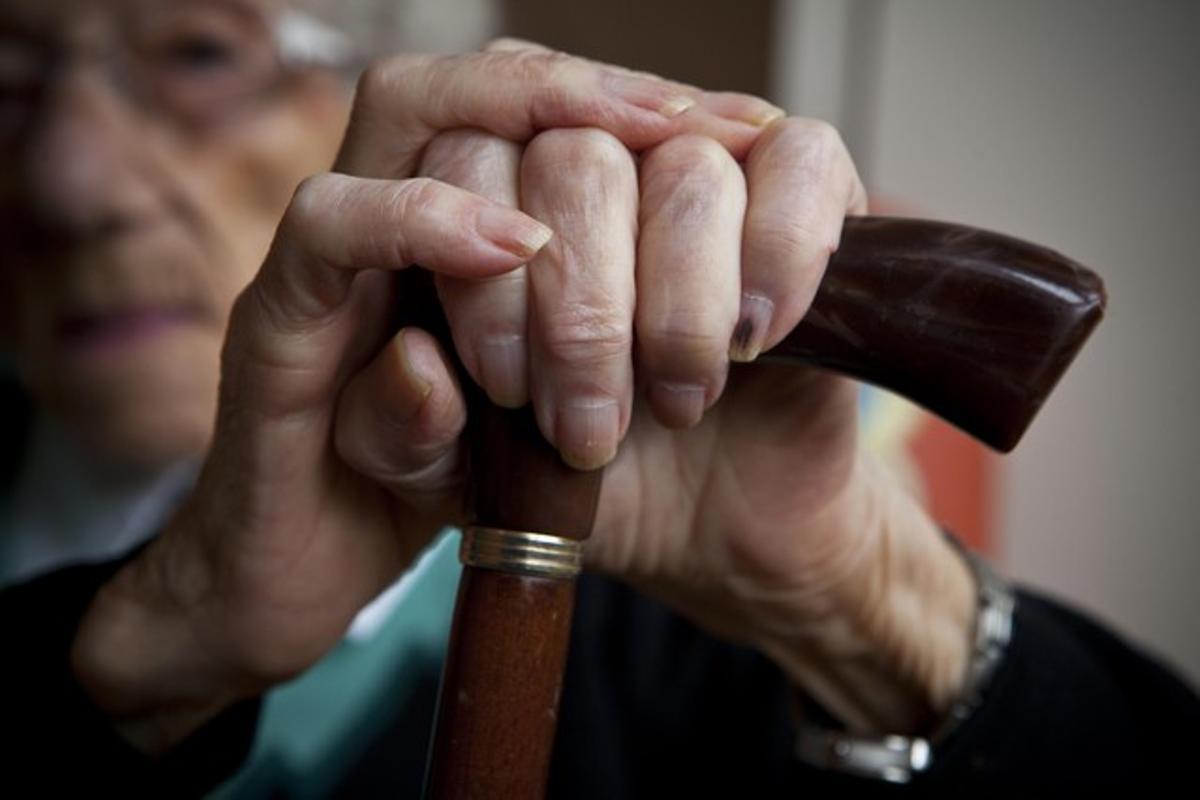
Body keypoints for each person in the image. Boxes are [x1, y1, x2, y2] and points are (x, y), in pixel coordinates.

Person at [1, 0, 1196, 796]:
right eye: (7, 82)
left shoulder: (692, 641)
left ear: (367, 101)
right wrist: (153, 643)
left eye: (197, 54)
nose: (68, 181)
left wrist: (862, 593)